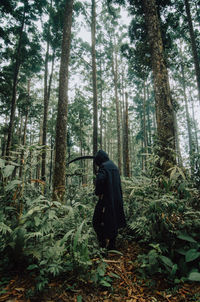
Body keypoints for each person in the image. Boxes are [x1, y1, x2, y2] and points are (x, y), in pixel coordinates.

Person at [92, 150, 126, 250]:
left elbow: (100, 180)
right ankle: (112, 245)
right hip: (116, 200)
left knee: (96, 221)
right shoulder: (114, 167)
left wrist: (98, 192)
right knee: (113, 221)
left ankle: (103, 244)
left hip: (106, 200)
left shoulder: (103, 167)